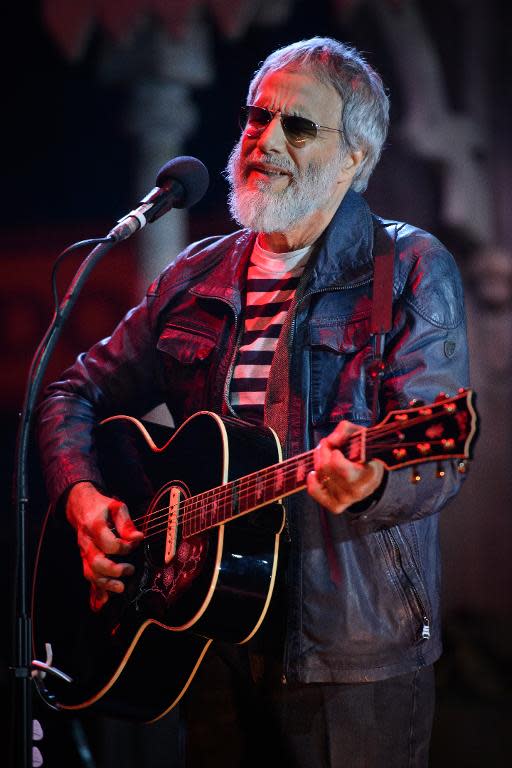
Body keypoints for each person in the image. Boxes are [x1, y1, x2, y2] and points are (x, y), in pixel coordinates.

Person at [36, 37, 470, 768]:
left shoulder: (408, 267)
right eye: (256, 117)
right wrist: (82, 497)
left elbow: (439, 456)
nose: (264, 140)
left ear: (356, 157)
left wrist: (373, 483)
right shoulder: (196, 274)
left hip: (348, 654)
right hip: (204, 636)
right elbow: (73, 389)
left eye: (297, 126)